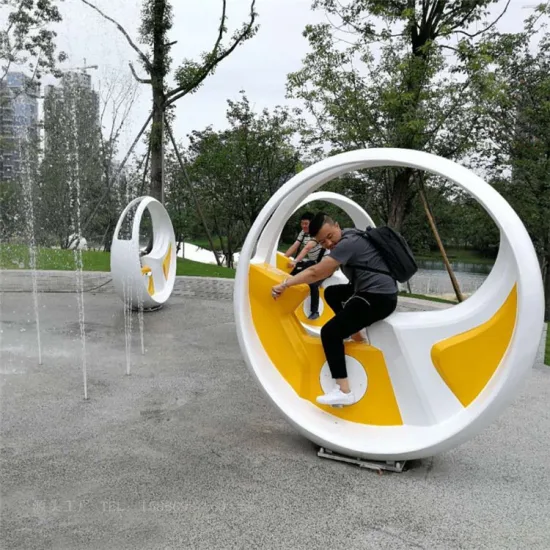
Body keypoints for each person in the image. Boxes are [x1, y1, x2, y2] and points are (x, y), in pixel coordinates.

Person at [272, 212, 398, 407]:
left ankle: (343, 390)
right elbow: (324, 271)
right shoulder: (349, 236)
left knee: (330, 333)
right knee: (333, 293)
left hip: (378, 297)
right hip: (371, 290)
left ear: (337, 226)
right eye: (322, 242)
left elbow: (316, 272)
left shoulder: (348, 243)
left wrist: (286, 284)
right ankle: (357, 336)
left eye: (330, 237)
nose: (328, 244)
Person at [283, 212, 325, 320]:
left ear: (312, 224)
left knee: (312, 282)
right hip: (311, 263)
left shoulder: (317, 233)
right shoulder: (303, 233)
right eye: (302, 223)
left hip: (324, 265)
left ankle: (315, 311)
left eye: (306, 224)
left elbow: (307, 248)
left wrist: (295, 260)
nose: (304, 226)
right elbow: (295, 245)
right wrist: (284, 258)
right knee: (292, 273)